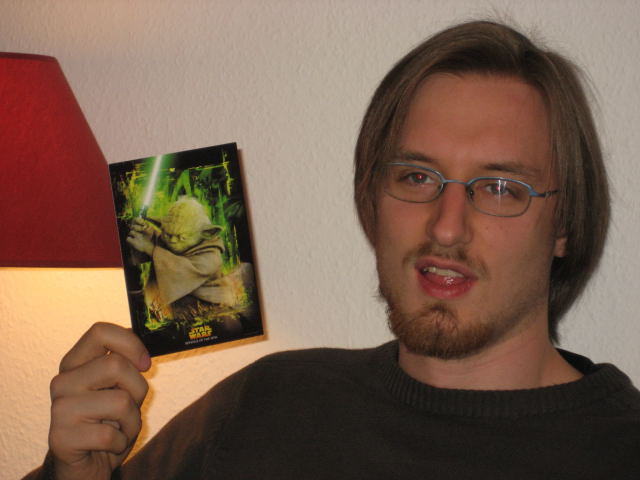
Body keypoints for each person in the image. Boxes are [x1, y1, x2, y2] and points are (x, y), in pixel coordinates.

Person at [24, 20, 640, 480]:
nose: (448, 228)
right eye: (416, 177)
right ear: (372, 194)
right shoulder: (267, 406)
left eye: (501, 188)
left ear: (565, 222)